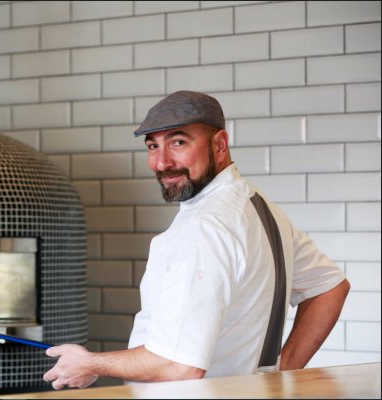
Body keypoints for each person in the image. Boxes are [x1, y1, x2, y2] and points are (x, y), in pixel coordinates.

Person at [42, 90, 350, 390]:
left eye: (178, 142)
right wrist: (281, 373)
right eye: (152, 146)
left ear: (219, 145)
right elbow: (330, 288)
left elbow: (178, 366)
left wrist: (92, 363)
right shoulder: (256, 206)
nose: (161, 163)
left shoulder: (205, 228)